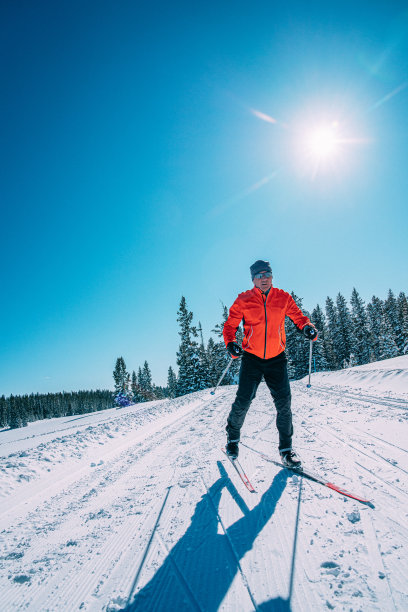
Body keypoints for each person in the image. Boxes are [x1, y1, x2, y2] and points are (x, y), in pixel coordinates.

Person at [223, 260, 318, 468]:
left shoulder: (283, 298)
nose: (264, 278)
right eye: (259, 275)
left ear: (272, 276)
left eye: (267, 274)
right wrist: (231, 343)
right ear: (253, 279)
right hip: (252, 358)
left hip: (276, 358)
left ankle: (286, 451)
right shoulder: (244, 300)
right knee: (244, 400)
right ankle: (232, 438)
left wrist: (307, 328)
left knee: (284, 404)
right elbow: (230, 326)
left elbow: (299, 318)